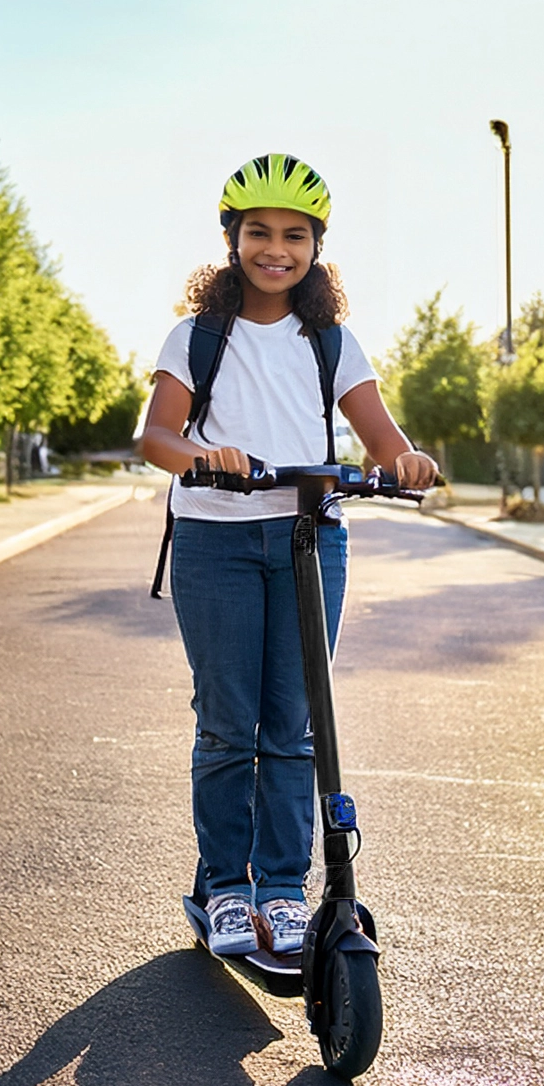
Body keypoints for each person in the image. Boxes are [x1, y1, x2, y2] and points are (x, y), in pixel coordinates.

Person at [138, 153, 438, 959]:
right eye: (259, 232)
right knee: (231, 725)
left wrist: (405, 463)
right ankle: (225, 889)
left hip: (310, 536)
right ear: (232, 239)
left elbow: (384, 440)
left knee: (297, 729)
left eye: (295, 235)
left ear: (316, 247)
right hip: (216, 538)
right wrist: (205, 456)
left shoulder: (329, 340)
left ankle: (282, 888)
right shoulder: (198, 336)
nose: (277, 248)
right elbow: (156, 436)